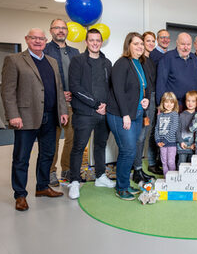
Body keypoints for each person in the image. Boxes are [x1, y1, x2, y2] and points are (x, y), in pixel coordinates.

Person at [1, 28, 68, 211]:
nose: (38, 41)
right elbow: (7, 91)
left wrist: (62, 110)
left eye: (41, 38)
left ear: (45, 41)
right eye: (34, 38)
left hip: (51, 116)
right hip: (26, 117)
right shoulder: (14, 60)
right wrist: (13, 115)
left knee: (47, 154)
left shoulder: (52, 62)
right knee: (21, 158)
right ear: (27, 39)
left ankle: (42, 187)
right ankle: (20, 195)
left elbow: (58, 88)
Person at [67, 29, 115, 200]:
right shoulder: (77, 61)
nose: (95, 43)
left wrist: (106, 105)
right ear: (86, 42)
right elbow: (75, 87)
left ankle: (101, 176)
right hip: (84, 113)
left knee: (100, 145)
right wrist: (95, 104)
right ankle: (74, 181)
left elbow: (111, 88)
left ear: (101, 42)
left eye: (98, 40)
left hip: (104, 113)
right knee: (79, 147)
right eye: (91, 40)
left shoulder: (107, 63)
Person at [107, 32, 151, 201]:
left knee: (131, 151)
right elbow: (118, 91)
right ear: (128, 45)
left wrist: (145, 100)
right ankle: (122, 187)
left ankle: (124, 183)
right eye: (136, 44)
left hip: (137, 113)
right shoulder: (121, 63)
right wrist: (125, 114)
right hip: (120, 115)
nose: (140, 47)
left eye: (141, 44)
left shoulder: (139, 63)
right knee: (128, 150)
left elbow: (141, 87)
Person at [44, 19, 80, 185]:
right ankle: (51, 172)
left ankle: (67, 168)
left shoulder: (75, 52)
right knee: (53, 139)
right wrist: (59, 94)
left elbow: (80, 76)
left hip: (73, 103)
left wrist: (74, 92)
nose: (60, 31)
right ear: (51, 30)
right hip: (54, 104)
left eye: (63, 28)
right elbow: (42, 78)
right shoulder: (45, 50)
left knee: (72, 138)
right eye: (57, 28)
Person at [134, 31, 160, 178]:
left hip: (152, 99)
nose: (150, 44)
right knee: (141, 135)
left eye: (152, 41)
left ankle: (145, 165)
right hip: (144, 100)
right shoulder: (140, 60)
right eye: (147, 41)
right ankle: (136, 167)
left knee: (147, 133)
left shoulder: (151, 60)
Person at [156, 32, 197, 107]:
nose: (186, 47)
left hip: (191, 105)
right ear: (177, 43)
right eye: (183, 44)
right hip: (173, 105)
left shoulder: (194, 59)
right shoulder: (167, 57)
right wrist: (160, 104)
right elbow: (161, 83)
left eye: (188, 44)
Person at [155, 92, 180, 176]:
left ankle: (172, 178)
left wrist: (165, 140)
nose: (169, 104)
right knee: (164, 161)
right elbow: (156, 128)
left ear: (174, 104)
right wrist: (158, 140)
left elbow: (173, 128)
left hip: (171, 143)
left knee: (170, 161)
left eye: (171, 102)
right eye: (166, 102)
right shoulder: (160, 115)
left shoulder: (174, 115)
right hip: (161, 143)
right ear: (163, 103)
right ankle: (166, 178)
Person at [177, 90, 197, 166]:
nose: (190, 103)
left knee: (192, 166)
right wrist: (180, 141)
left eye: (193, 101)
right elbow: (177, 130)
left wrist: (195, 143)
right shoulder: (181, 115)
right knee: (181, 164)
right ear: (185, 102)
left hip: (193, 147)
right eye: (188, 101)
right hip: (182, 146)